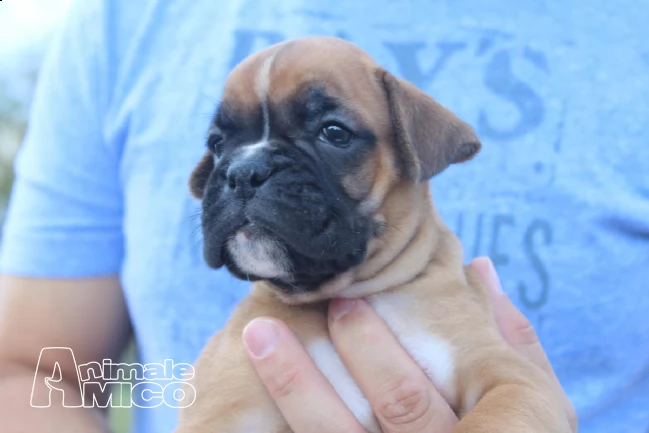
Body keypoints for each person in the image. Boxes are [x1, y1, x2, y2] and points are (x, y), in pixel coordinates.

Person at [0, 0, 646, 432]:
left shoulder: (452, 308)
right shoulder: (123, 22)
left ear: (414, 150)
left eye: (331, 133)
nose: (245, 174)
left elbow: (523, 401)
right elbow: (28, 366)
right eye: (226, 145)